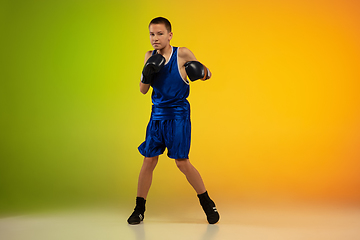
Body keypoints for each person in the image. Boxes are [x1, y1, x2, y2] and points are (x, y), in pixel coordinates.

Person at [127, 17, 219, 225]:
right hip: (157, 116)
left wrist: (200, 72)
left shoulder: (182, 53)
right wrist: (147, 73)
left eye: (160, 34)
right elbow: (143, 90)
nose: (155, 38)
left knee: (182, 162)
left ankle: (207, 203)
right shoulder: (149, 56)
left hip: (178, 116)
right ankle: (139, 209)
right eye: (152, 34)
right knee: (148, 160)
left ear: (169, 35)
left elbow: (207, 74)